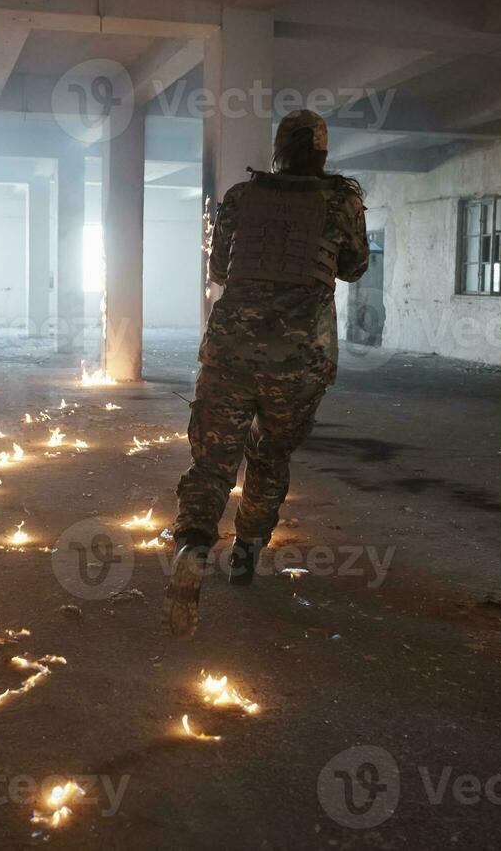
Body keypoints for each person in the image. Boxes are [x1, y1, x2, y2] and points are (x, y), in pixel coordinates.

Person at [165, 110, 370, 637]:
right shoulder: (342, 199)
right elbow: (353, 266)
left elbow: (216, 270)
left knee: (211, 463)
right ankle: (248, 549)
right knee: (269, 454)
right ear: (323, 154)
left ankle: (192, 544)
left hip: (231, 351)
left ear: (278, 151)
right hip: (299, 360)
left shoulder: (240, 197)